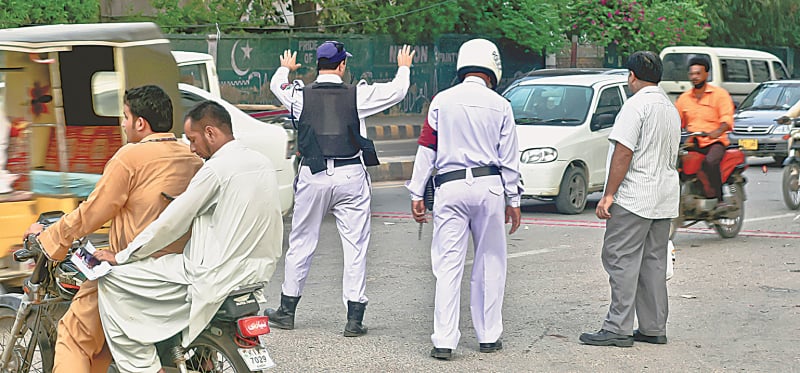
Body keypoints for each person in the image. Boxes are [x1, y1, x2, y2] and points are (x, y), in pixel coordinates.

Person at [22, 85, 203, 373]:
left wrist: (51, 237)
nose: (122, 123)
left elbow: (92, 213)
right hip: (180, 273)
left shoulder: (129, 157)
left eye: (125, 116)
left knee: (73, 337)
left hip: (130, 274)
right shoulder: (192, 158)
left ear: (140, 123)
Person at [93, 101, 283, 373]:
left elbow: (171, 223)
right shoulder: (262, 162)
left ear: (210, 133)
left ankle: (144, 367)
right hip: (256, 274)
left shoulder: (216, 170)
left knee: (113, 280)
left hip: (211, 274)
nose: (192, 148)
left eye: (193, 140)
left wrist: (122, 256)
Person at [264, 41, 415, 337]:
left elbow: (276, 85)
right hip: (350, 175)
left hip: (313, 174)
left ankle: (287, 310)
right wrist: (404, 67)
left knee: (301, 242)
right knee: (355, 246)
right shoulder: (358, 94)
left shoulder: (299, 95)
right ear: (342, 65)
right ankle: (354, 319)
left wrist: (286, 66)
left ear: (318, 66)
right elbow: (397, 91)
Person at [406, 38, 522, 360]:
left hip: (450, 187)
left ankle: (444, 340)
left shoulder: (441, 101)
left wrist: (417, 192)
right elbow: (509, 158)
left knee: (448, 265)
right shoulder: (502, 105)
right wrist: (513, 200)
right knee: (490, 261)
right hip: (489, 188)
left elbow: (427, 148)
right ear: (492, 69)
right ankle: (488, 336)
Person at [579, 51, 680, 347]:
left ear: (632, 76)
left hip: (635, 196)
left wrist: (608, 195)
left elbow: (624, 152)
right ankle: (652, 327)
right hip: (664, 197)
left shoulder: (635, 106)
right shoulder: (669, 107)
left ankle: (618, 327)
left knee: (620, 258)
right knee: (653, 262)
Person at [674, 56, 735, 204]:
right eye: (692, 74)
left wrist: (717, 132)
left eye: (698, 73)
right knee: (677, 163)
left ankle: (718, 198)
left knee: (710, 162)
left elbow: (726, 119)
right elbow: (676, 121)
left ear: (706, 74)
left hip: (715, 142)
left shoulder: (720, 95)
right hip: (693, 142)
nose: (694, 77)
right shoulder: (684, 98)